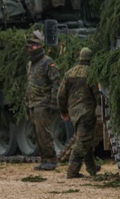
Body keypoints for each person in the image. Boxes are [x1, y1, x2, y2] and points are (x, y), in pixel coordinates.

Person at [57, 47, 101, 179]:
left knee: (85, 139)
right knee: (82, 142)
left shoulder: (69, 73)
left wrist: (63, 111)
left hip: (73, 113)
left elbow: (60, 95)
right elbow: (97, 94)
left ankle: (92, 168)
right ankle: (72, 171)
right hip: (86, 112)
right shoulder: (91, 73)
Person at [26, 34, 61, 171]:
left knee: (44, 132)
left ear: (40, 47)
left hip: (43, 102)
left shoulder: (47, 62)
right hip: (32, 103)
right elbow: (29, 83)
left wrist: (53, 101)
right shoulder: (30, 64)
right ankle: (44, 159)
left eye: (34, 46)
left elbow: (56, 82)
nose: (31, 49)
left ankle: (51, 159)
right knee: (37, 132)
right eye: (30, 47)